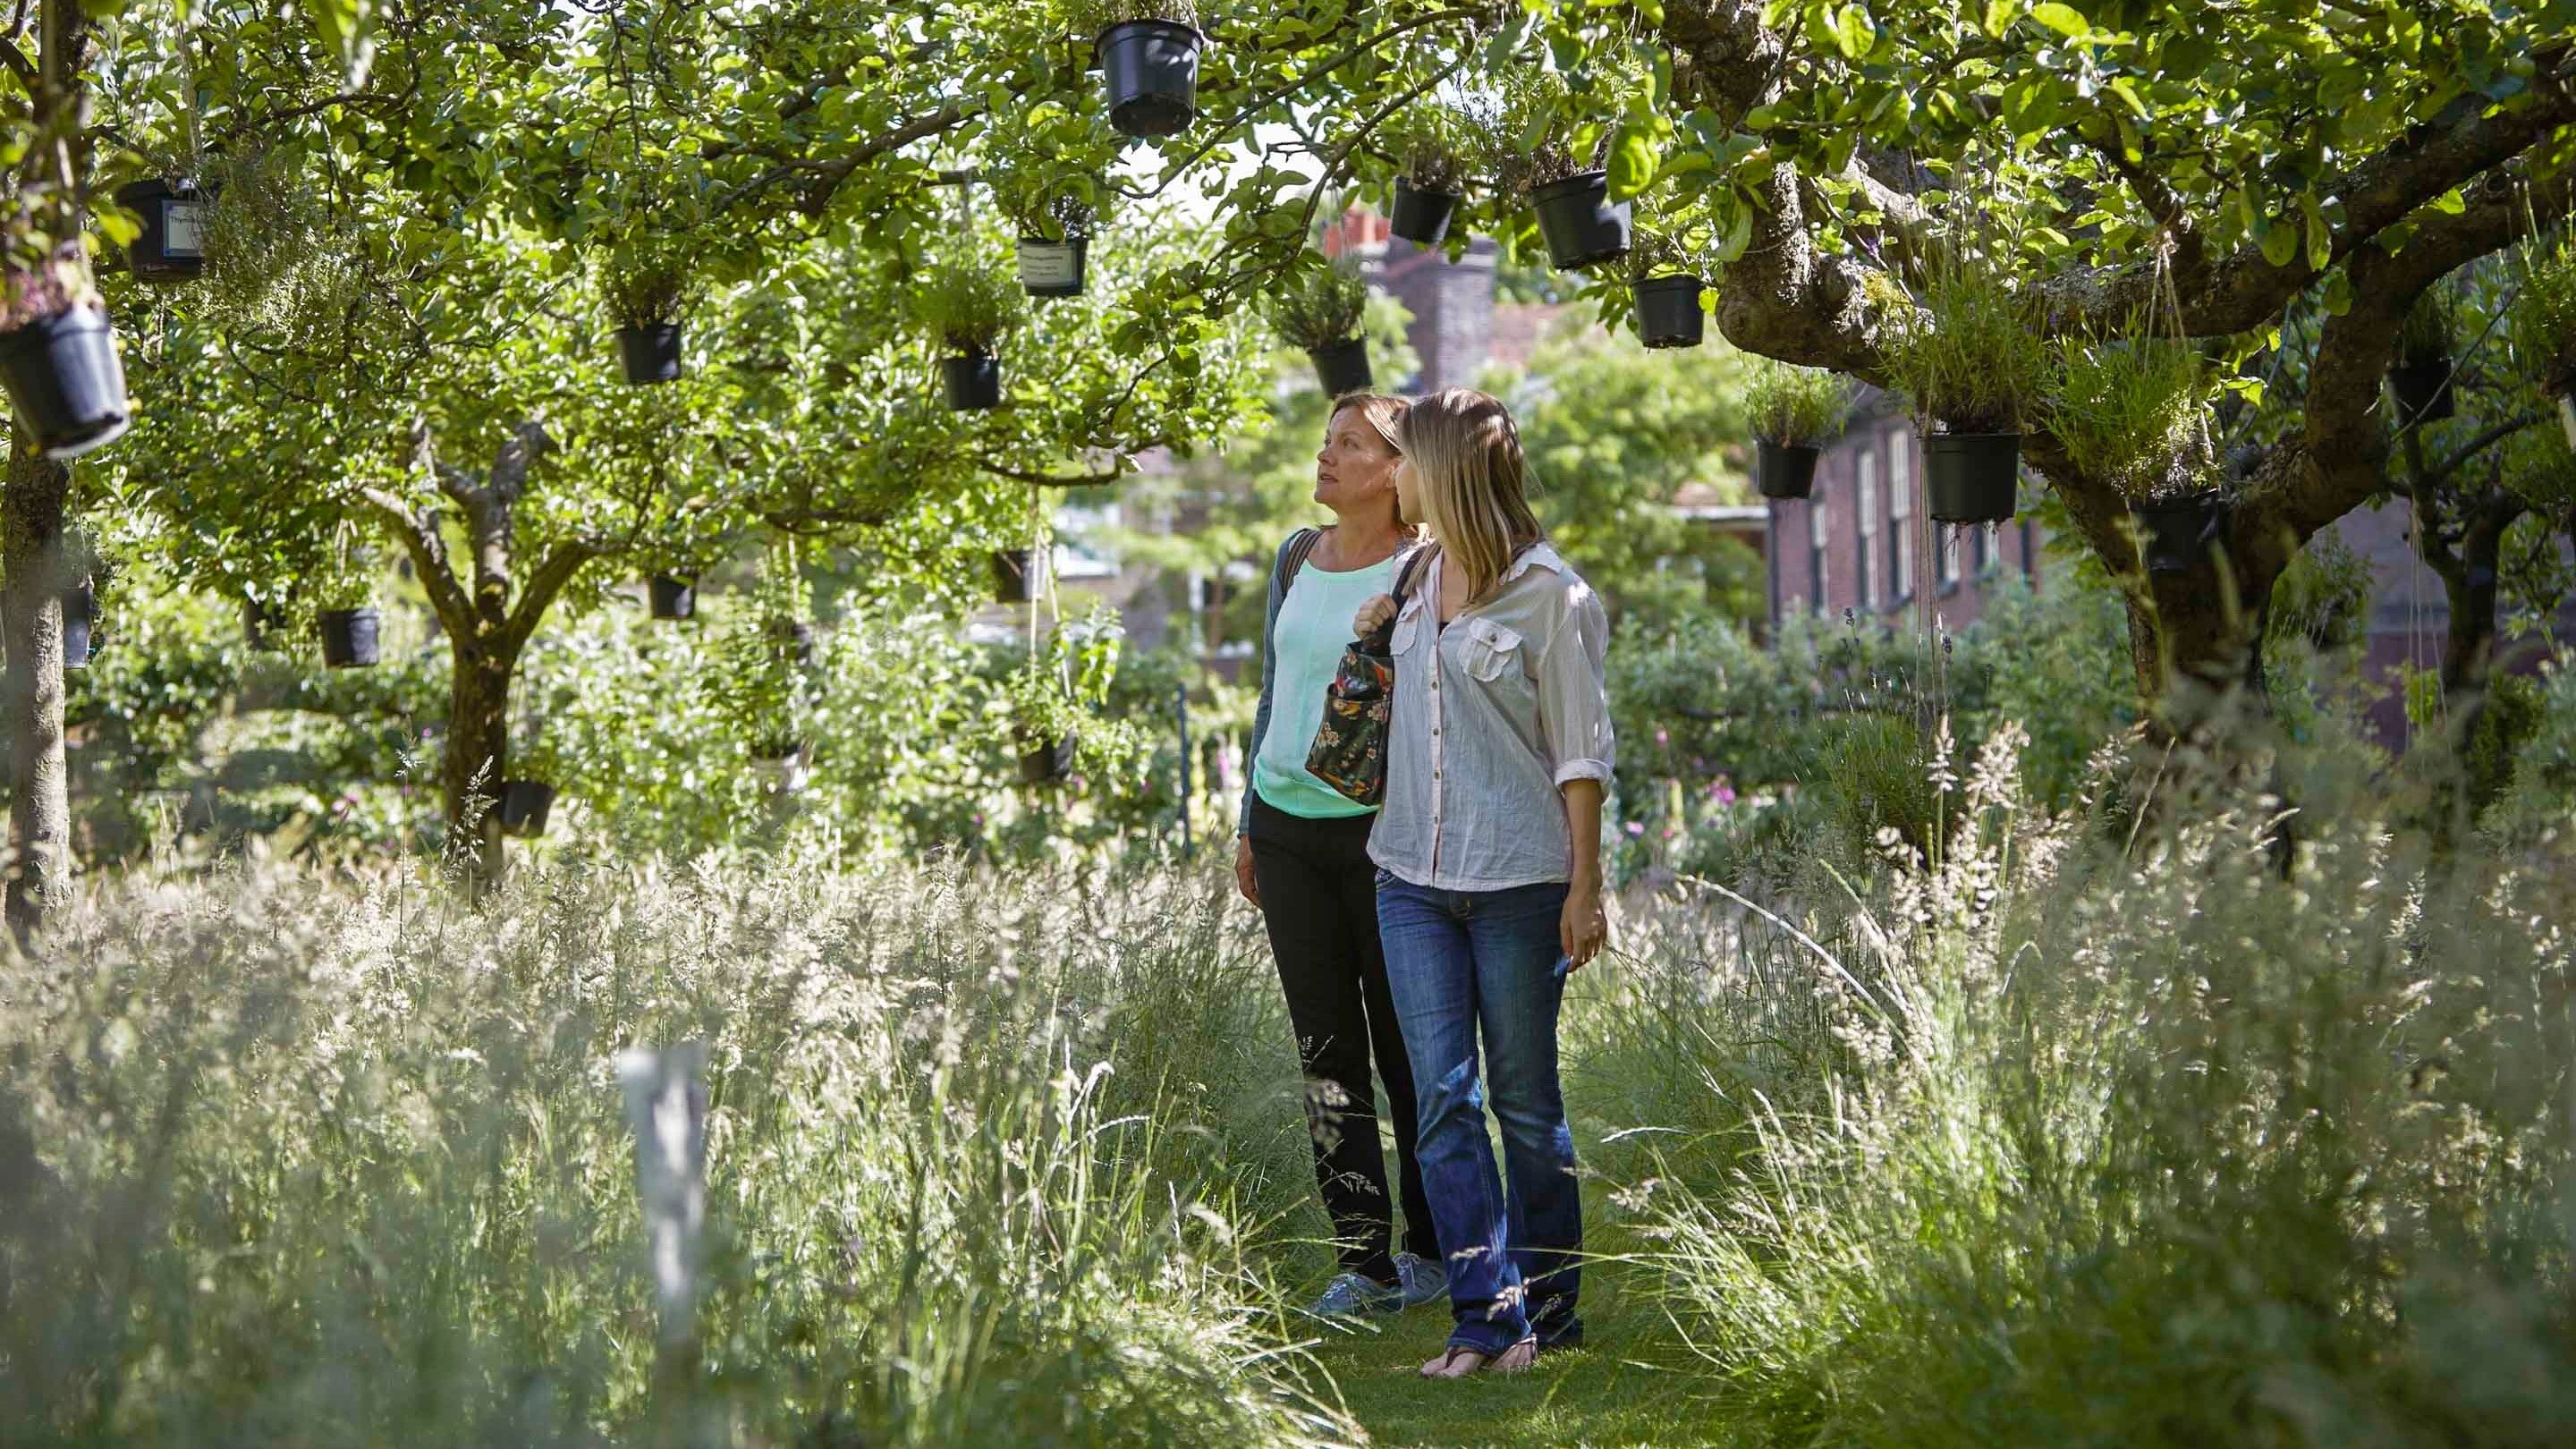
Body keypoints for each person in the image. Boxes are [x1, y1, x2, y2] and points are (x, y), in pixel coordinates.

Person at [1350, 388, 1614, 1378]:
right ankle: (1483, 1317)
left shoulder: (1553, 595)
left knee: (1524, 1100)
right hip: (1408, 877)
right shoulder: (1415, 575)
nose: (1393, 473)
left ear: (1446, 472)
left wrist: (1584, 887)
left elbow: (1581, 755)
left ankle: (1550, 1314)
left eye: (1404, 457)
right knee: (1440, 1100)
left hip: (1518, 883)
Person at [1235, 393, 1446, 1318]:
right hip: (1286, 837)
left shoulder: (1428, 568)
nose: (1326, 457)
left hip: (1384, 842)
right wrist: (1247, 819)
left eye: (1350, 444)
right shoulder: (1293, 557)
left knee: (1408, 1048)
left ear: (1398, 471)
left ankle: (1434, 1247)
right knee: (1326, 1051)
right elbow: (1272, 694)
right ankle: (1363, 1260)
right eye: (1327, 441)